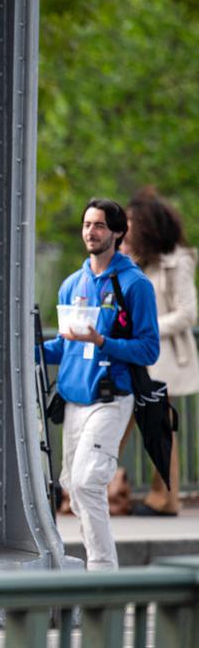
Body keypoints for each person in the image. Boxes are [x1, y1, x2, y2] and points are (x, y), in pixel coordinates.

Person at [42, 199, 159, 570]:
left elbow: (149, 349)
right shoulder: (71, 285)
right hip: (73, 402)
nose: (91, 232)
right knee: (73, 488)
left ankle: (103, 573)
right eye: (87, 224)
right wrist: (23, 350)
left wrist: (103, 342)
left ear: (118, 232)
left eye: (100, 226)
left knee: (88, 482)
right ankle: (99, 570)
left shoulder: (135, 285)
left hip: (111, 398)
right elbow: (64, 346)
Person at [121, 187, 198, 517]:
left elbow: (188, 313)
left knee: (159, 426)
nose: (126, 229)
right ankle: (95, 489)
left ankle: (165, 499)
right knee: (125, 419)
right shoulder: (139, 261)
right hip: (139, 355)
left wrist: (148, 327)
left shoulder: (176, 262)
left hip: (163, 356)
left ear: (148, 225)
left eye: (131, 222)